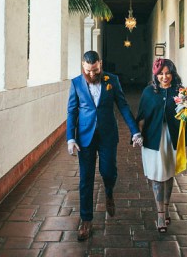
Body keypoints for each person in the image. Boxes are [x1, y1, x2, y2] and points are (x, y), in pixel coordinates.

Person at [66, 50, 143, 241]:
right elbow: (72, 112)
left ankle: (109, 192)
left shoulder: (112, 80)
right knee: (86, 179)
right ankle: (86, 220)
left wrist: (135, 131)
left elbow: (123, 106)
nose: (92, 74)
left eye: (95, 70)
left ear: (100, 64)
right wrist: (70, 138)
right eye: (88, 71)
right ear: (83, 67)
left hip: (108, 135)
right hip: (85, 137)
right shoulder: (76, 83)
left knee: (108, 171)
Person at [136, 58, 187, 232]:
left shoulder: (181, 92)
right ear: (155, 75)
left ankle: (166, 208)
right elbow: (142, 115)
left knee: (169, 173)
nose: (164, 77)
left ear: (173, 74)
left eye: (168, 73)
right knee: (158, 175)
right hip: (153, 138)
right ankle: (160, 214)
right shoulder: (149, 92)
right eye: (160, 74)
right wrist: (138, 134)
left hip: (173, 138)